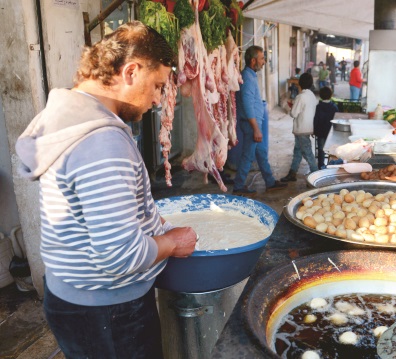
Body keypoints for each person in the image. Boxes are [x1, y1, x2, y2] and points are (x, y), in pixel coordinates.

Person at [14, 21, 198, 358]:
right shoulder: (102, 142)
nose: (157, 100)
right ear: (130, 72)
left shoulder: (64, 116)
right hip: (109, 314)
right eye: (157, 86)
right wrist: (173, 242)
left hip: (73, 298)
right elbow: (120, 255)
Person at [233, 45, 287, 195]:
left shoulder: (250, 75)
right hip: (252, 125)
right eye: (262, 58)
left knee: (261, 153)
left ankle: (270, 182)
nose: (264, 62)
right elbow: (247, 104)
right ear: (253, 61)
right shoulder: (248, 78)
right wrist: (256, 128)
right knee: (248, 156)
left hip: (255, 124)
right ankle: (238, 186)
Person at [280, 73, 319, 182]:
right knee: (297, 151)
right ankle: (292, 173)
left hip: (301, 129)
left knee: (307, 153)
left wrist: (290, 106)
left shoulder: (300, 97)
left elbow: (293, 114)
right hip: (308, 127)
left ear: (299, 84)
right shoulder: (312, 96)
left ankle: (316, 174)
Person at [313, 86, 339, 169]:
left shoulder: (318, 107)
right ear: (331, 96)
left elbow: (315, 120)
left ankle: (321, 166)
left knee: (321, 150)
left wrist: (314, 130)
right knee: (332, 150)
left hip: (320, 132)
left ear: (320, 96)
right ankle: (331, 165)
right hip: (331, 132)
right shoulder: (334, 107)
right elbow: (337, 120)